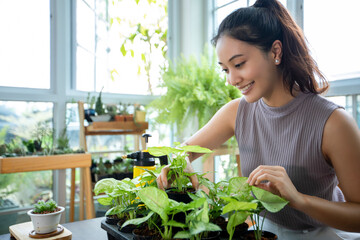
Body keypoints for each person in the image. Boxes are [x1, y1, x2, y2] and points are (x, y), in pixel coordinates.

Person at [156, 0, 360, 239]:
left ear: (275, 52)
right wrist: (181, 164)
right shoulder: (237, 112)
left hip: (323, 234)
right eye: (225, 69)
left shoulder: (333, 123)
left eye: (239, 64)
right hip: (263, 232)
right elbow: (184, 150)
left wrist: (299, 200)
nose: (232, 79)